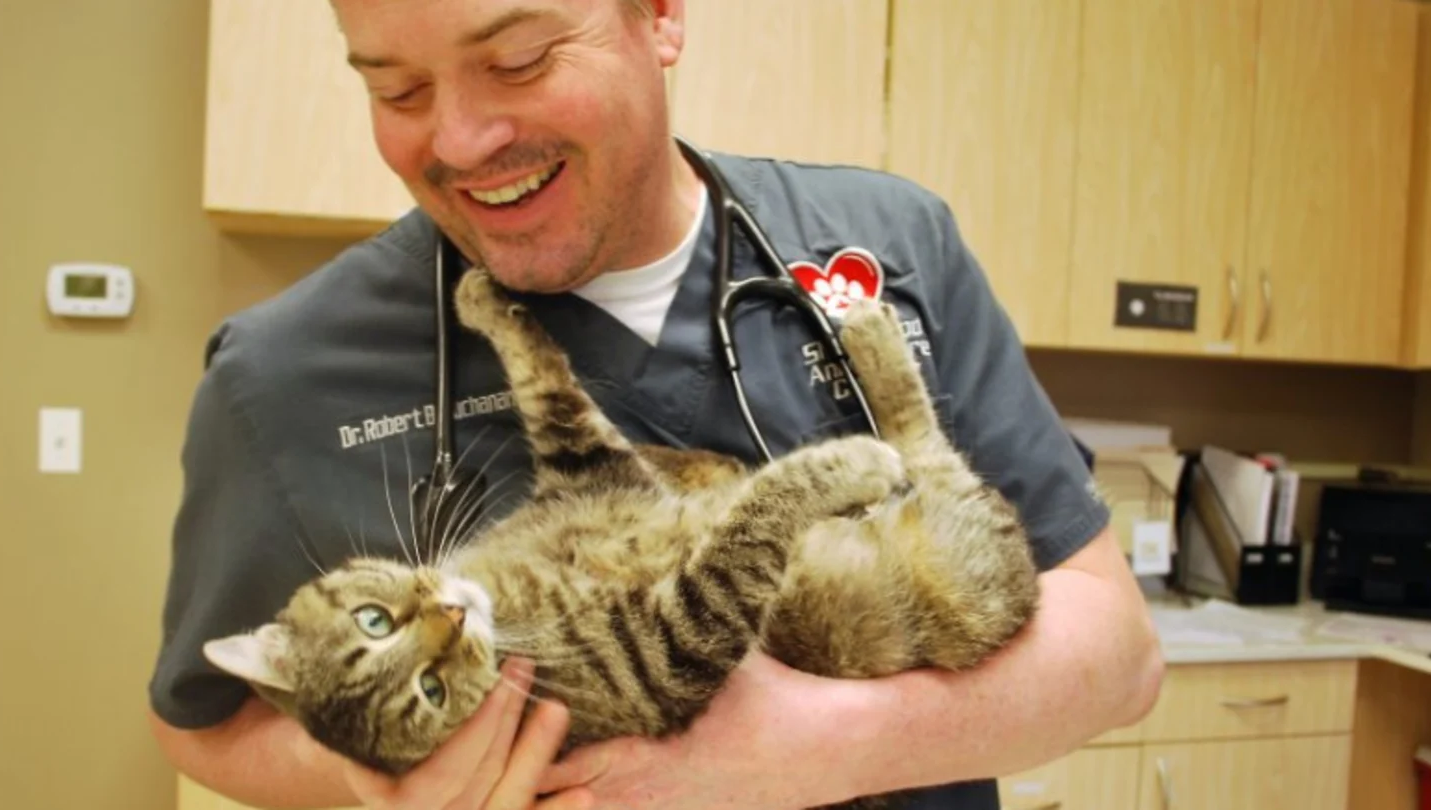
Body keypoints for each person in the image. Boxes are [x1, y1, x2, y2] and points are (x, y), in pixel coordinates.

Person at [146, 1, 1166, 808]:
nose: (457, 140)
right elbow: (203, 726)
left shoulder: (887, 244)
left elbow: (1119, 658)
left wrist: (814, 748)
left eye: (519, 60)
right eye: (400, 88)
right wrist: (385, 771)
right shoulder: (278, 379)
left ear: (661, 14)